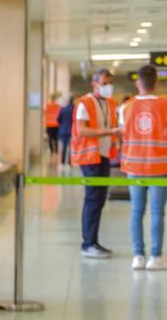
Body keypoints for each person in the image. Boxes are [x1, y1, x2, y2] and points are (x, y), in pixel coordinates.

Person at [119, 64, 167, 271]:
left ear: (138, 82)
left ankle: (138, 256)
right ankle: (155, 257)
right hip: (160, 166)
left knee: (136, 211)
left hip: (134, 165)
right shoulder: (165, 104)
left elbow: (123, 133)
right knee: (157, 212)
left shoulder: (126, 106)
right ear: (156, 81)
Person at [70, 69, 121, 259]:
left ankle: (94, 241)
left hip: (104, 155)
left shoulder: (110, 103)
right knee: (92, 199)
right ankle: (88, 243)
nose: (108, 86)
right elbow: (82, 130)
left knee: (99, 200)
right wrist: (108, 132)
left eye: (110, 82)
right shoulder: (85, 103)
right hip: (90, 157)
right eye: (104, 83)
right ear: (94, 84)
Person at [57, 95, 75, 166]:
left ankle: (63, 161)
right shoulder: (74, 109)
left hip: (63, 130)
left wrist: (62, 124)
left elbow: (58, 119)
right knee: (71, 147)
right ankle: (70, 161)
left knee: (64, 146)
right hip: (72, 131)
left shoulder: (62, 109)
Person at [44, 96, 61, 161]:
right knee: (56, 139)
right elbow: (59, 115)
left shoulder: (47, 106)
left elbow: (44, 114)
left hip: (49, 124)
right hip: (56, 125)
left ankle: (52, 151)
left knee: (50, 139)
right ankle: (56, 151)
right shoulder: (57, 106)